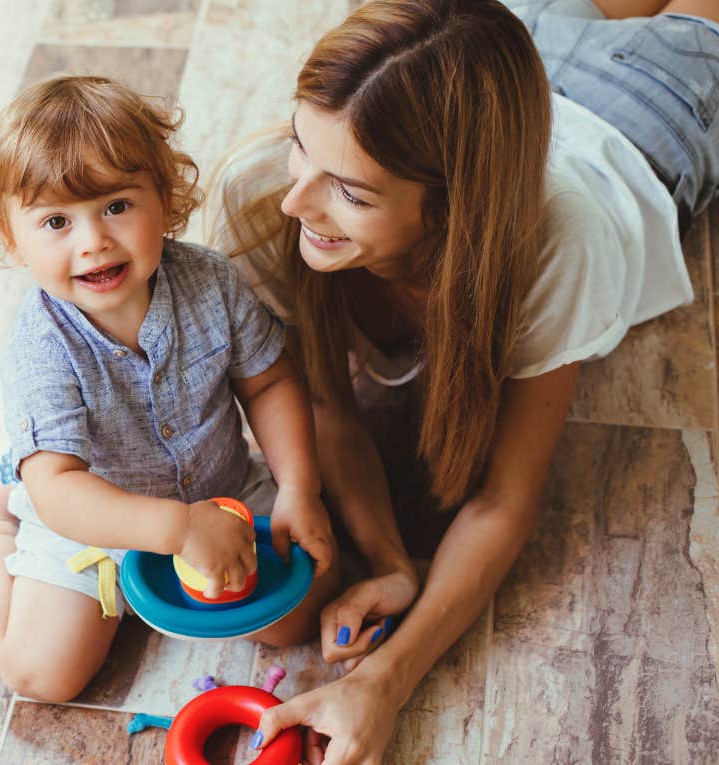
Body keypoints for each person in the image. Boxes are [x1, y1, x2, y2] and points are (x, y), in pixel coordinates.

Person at [207, 1, 717, 762]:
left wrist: (385, 681)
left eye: (350, 191)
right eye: (298, 144)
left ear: (448, 214)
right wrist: (386, 560)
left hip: (635, 113)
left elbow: (504, 498)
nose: (294, 201)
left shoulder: (560, 245)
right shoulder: (256, 204)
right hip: (505, 48)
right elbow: (323, 403)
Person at [0, 75, 340, 703]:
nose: (93, 241)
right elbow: (58, 487)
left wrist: (299, 486)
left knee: (301, 611)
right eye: (56, 221)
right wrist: (176, 530)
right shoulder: (39, 348)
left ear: (165, 197)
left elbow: (270, 382)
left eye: (116, 206)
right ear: (10, 236)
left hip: (223, 491)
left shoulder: (211, 282)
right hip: (87, 525)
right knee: (42, 676)